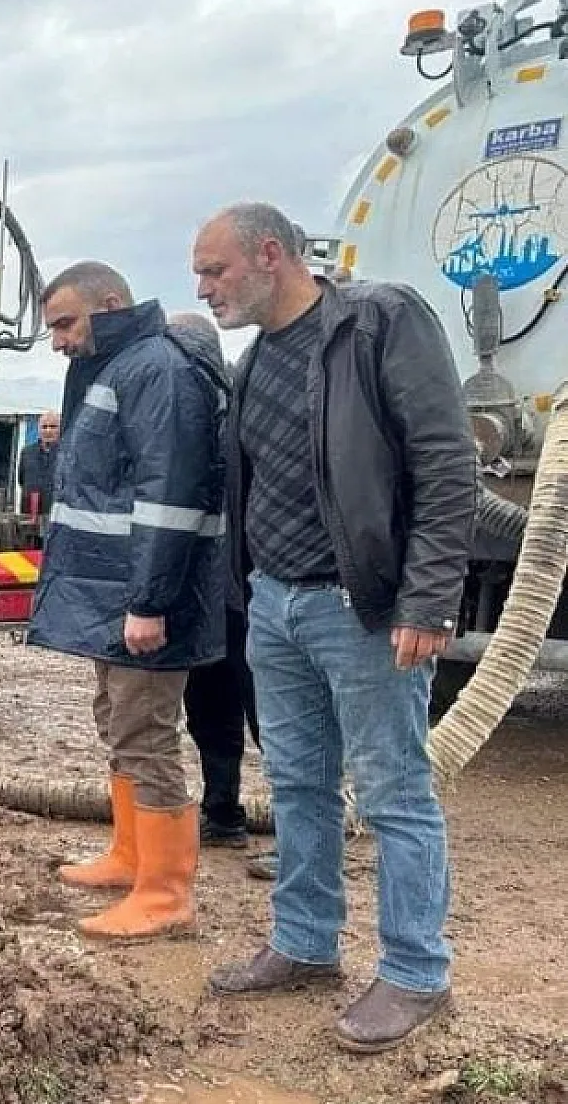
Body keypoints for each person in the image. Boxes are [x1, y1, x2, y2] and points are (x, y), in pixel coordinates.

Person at [193, 202, 475, 1053]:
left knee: (394, 794)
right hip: (275, 604)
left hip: (362, 609)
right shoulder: (254, 359)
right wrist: (246, 591)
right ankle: (305, 943)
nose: (204, 289)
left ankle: (416, 972)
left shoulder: (378, 322)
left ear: (269, 254)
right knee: (298, 786)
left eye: (214, 270)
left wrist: (427, 600)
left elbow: (444, 459)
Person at [29, 263, 227, 940]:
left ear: (110, 305)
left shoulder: (157, 371)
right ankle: (131, 856)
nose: (57, 341)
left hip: (145, 601)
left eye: (65, 323)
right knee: (117, 721)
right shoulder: (115, 368)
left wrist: (149, 602)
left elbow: (170, 495)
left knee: (145, 735)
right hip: (113, 595)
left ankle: (165, 895)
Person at [165, 311, 260, 850]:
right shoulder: (196, 409)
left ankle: (302, 838)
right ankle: (222, 811)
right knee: (212, 707)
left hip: (242, 591)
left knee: (267, 713)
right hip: (217, 593)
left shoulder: (232, 412)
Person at [17, 411, 61, 516]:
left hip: (57, 513)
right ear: (39, 429)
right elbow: (21, 480)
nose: (48, 430)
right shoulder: (27, 452)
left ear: (60, 429)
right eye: (44, 427)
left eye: (53, 427)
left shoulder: (67, 454)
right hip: (30, 513)